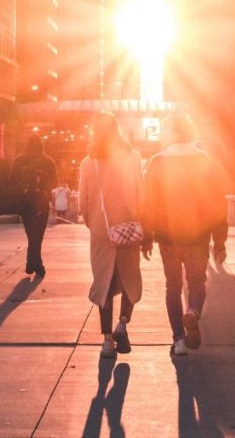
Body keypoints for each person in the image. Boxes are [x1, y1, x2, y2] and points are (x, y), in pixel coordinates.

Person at [140, 112, 228, 357]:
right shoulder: (205, 161)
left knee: (173, 286)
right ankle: (193, 313)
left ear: (169, 133)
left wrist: (147, 236)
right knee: (197, 282)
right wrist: (220, 241)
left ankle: (179, 340)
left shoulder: (157, 162)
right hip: (198, 235)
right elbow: (218, 203)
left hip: (168, 236)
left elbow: (148, 204)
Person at [79, 112, 145, 359]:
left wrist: (94, 224)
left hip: (101, 232)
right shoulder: (132, 158)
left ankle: (107, 341)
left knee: (103, 282)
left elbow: (83, 203)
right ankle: (123, 324)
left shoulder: (88, 163)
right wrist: (141, 223)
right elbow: (142, 193)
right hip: (129, 228)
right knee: (130, 278)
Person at [8, 133, 57, 278]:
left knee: (31, 234)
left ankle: (33, 263)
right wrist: (44, 189)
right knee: (38, 235)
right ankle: (36, 263)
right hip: (41, 202)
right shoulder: (48, 161)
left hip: (25, 202)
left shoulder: (18, 160)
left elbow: (11, 181)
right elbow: (55, 181)